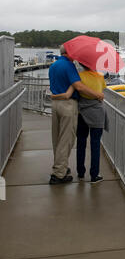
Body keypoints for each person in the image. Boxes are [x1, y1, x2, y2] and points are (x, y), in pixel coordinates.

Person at [49, 45, 104, 185]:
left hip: (55, 104)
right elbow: (78, 86)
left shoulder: (53, 66)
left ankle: (60, 168)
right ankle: (59, 174)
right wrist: (97, 94)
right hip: (67, 105)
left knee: (57, 139)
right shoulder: (69, 66)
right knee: (66, 140)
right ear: (68, 53)